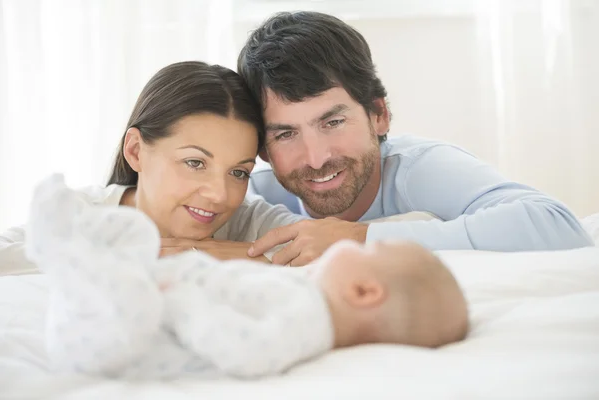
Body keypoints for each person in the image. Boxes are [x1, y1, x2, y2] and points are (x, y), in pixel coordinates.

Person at [236, 11, 594, 266]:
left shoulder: (416, 169)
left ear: (379, 114)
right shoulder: (253, 192)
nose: (315, 158)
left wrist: (358, 238)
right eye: (286, 134)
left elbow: (558, 226)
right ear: (263, 149)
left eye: (333, 122)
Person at [28, 174, 468, 379]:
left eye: (368, 249)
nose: (351, 242)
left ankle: (62, 249)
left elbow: (244, 349)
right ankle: (78, 249)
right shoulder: (307, 298)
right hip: (133, 316)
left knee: (118, 274)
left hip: (124, 339)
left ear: (363, 290)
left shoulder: (308, 322)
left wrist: (181, 298)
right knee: (134, 234)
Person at [0, 61, 307, 276]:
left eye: (239, 172)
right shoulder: (78, 214)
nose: (219, 195)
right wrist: (135, 254)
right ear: (135, 151)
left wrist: (227, 256)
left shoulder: (249, 220)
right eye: (195, 163)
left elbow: (336, 254)